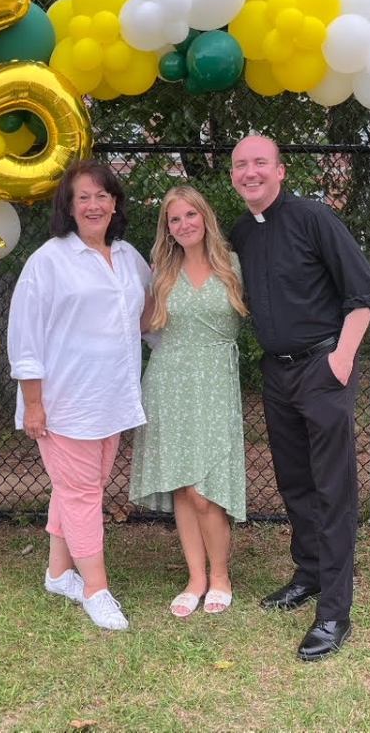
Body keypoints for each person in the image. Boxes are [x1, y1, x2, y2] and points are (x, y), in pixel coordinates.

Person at [228, 134, 370, 662]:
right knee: (295, 481)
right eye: (241, 164)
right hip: (277, 374)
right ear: (233, 175)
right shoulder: (243, 232)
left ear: (280, 170)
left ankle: (335, 610)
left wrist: (340, 360)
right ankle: (309, 573)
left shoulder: (314, 218)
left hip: (322, 367)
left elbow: (363, 295)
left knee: (333, 487)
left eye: (260, 162)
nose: (251, 172)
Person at [7, 160, 150, 632]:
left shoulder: (129, 257)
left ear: (115, 204)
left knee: (77, 490)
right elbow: (25, 339)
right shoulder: (48, 261)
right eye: (83, 197)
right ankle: (95, 589)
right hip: (65, 404)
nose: (94, 204)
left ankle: (57, 573)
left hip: (113, 400)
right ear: (68, 207)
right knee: (83, 493)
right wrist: (33, 403)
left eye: (102, 196)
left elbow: (150, 314)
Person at [130, 186, 249, 618]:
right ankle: (195, 578)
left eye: (190, 215)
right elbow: (139, 325)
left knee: (206, 490)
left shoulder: (233, 265)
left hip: (216, 379)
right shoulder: (160, 270)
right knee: (184, 484)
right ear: (168, 228)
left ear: (205, 217)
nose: (184, 225)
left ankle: (221, 576)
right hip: (169, 378)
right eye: (174, 219)